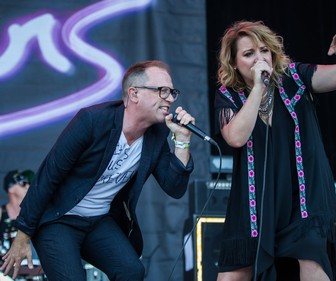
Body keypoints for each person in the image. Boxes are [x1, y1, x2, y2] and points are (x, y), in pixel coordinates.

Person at [1, 60, 195, 281]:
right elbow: (48, 176)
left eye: (172, 92)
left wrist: (182, 141)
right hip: (59, 219)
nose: (170, 98)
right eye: (162, 91)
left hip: (98, 221)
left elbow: (175, 186)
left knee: (132, 272)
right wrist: (23, 233)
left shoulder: (156, 135)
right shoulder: (92, 121)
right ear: (134, 94)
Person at [214, 21, 336, 281]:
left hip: (303, 195)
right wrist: (258, 88)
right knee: (233, 275)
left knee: (311, 262)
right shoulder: (229, 95)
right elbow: (235, 137)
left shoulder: (295, 77)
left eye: (264, 51)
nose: (259, 59)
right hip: (255, 200)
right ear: (234, 63)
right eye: (249, 54)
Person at [0, 170, 44, 280]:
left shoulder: (39, 214)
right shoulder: (1, 213)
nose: (28, 186)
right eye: (23, 183)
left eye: (29, 183)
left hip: (38, 274)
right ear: (10, 188)